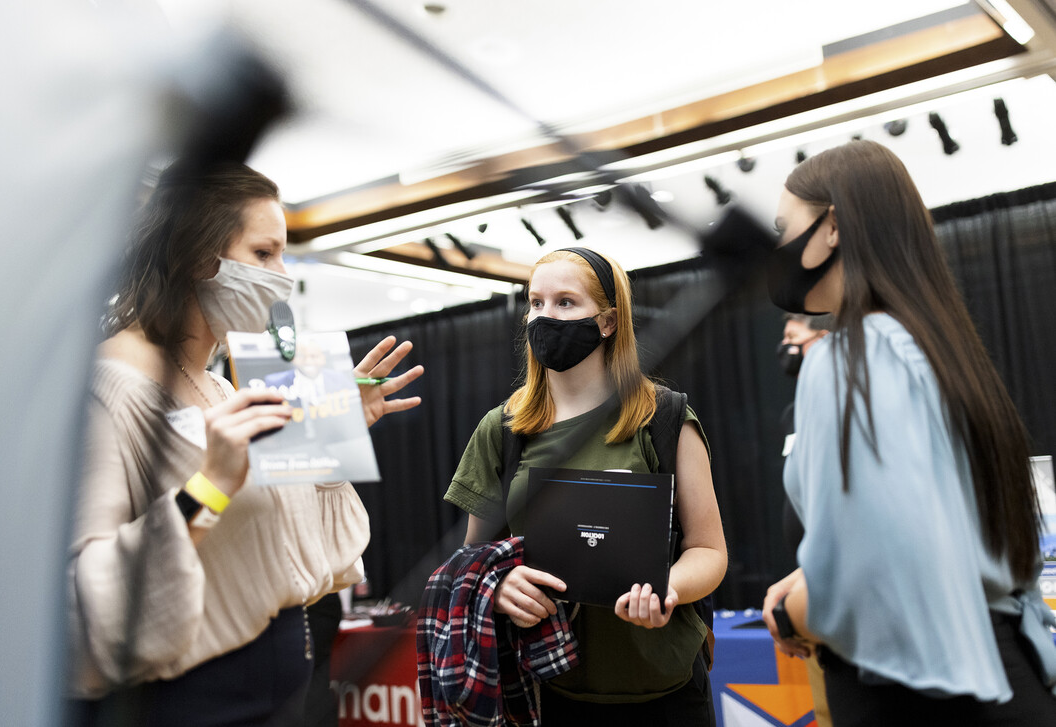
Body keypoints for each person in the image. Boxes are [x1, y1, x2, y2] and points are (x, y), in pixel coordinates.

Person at [66, 160, 424, 726]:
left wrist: (333, 435)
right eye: (263, 254)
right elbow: (89, 603)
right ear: (194, 254)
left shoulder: (219, 384)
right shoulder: (103, 388)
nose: (281, 276)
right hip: (191, 706)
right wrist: (209, 485)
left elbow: (311, 563)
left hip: (281, 696)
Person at [761, 140, 1056, 725]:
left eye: (783, 227)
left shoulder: (852, 356)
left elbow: (876, 570)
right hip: (1004, 669)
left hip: (917, 689)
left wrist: (797, 608)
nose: (778, 248)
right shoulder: (933, 348)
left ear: (833, 228)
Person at [443, 247, 727, 724]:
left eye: (566, 303)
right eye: (535, 303)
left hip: (666, 689)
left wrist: (668, 589)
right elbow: (471, 562)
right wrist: (500, 586)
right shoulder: (503, 429)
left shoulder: (665, 418)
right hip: (549, 689)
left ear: (609, 321)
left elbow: (709, 551)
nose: (544, 317)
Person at [775, 312, 834, 727]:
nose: (786, 350)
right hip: (806, 578)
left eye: (794, 338)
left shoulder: (849, 404)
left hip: (838, 583)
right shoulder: (794, 413)